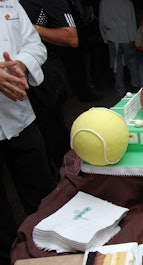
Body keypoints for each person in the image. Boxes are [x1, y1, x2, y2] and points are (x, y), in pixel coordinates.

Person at [0, 0, 55, 265]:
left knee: (42, 191)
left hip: (19, 116)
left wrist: (20, 65)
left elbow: (35, 45)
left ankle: (50, 251)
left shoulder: (11, 3)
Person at [19, 0, 79, 174]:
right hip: (18, 81)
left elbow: (71, 37)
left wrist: (31, 28)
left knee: (54, 133)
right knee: (31, 140)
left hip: (46, 78)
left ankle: (71, 180)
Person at [99, 0, 140, 96]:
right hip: (126, 36)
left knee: (117, 64)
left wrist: (105, 37)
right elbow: (131, 21)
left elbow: (102, 22)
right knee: (131, 61)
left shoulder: (104, 3)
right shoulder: (127, 2)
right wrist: (132, 37)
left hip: (112, 36)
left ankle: (120, 89)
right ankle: (135, 84)